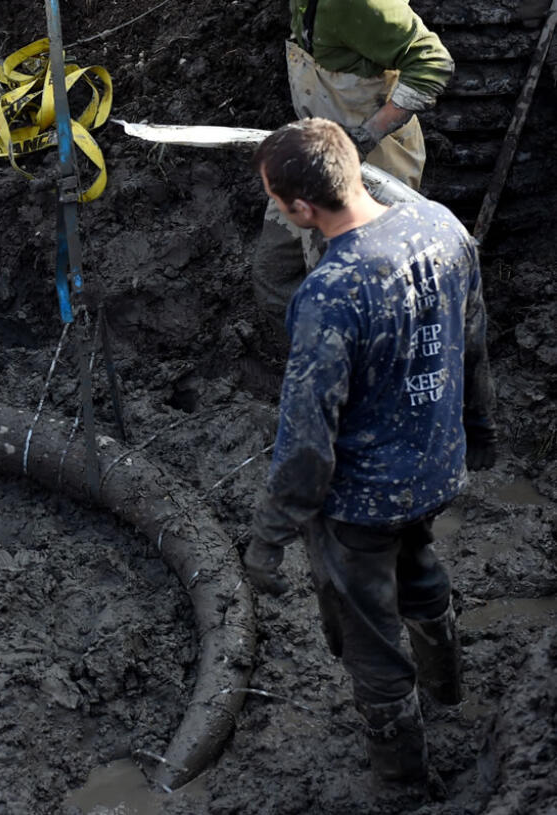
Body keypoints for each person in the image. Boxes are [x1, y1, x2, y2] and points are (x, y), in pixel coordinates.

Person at [242, 119, 497, 786]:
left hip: (363, 500)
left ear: (302, 208)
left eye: (276, 199)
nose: (276, 209)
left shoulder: (330, 294)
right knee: (420, 566)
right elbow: (474, 342)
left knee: (371, 639)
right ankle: (448, 696)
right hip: (437, 466)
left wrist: (267, 540)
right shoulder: (442, 227)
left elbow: (305, 442)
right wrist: (483, 428)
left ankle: (405, 784)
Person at [253, 0, 455, 321]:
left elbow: (433, 63)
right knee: (273, 275)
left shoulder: (361, 4)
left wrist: (366, 135)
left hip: (372, 166)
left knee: (356, 293)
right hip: (314, 151)